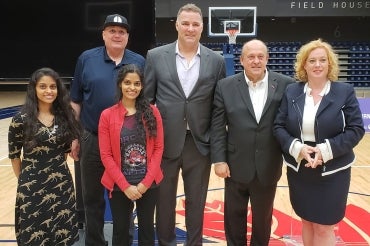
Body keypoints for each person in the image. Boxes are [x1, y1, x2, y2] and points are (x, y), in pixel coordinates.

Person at [144, 3, 226, 245]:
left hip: (199, 144)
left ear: (202, 27)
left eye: (195, 24)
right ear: (177, 25)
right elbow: (147, 101)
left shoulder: (216, 60)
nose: (190, 28)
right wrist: (151, 141)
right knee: (165, 202)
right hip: (165, 142)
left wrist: (214, 141)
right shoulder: (156, 56)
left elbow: (218, 107)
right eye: (186, 23)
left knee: (196, 202)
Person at [273, 39, 365, 245]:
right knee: (306, 221)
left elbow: (356, 129)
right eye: (312, 60)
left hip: (333, 170)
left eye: (322, 60)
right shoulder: (292, 92)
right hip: (301, 168)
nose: (317, 65)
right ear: (304, 64)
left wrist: (324, 151)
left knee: (324, 227)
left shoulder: (344, 91)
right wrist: (298, 148)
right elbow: (278, 127)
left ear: (329, 64)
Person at [69, 14, 145, 246]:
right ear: (103, 34)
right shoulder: (86, 59)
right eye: (111, 30)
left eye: (121, 31)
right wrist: (75, 135)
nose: (116, 35)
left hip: (126, 142)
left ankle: (123, 242)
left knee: (123, 199)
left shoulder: (139, 61)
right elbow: (75, 101)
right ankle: (95, 242)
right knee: (92, 199)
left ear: (128, 37)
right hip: (91, 139)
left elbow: (146, 102)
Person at [210, 39, 295, 246]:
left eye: (260, 56)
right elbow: (218, 126)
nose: (256, 61)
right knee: (233, 218)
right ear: (241, 60)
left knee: (263, 221)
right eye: (251, 56)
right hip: (235, 164)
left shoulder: (285, 84)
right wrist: (219, 160)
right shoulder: (225, 86)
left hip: (268, 164)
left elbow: (291, 122)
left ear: (267, 58)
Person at [8, 67, 81, 245]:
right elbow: (15, 156)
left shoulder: (65, 117)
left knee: (61, 236)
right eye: (43, 86)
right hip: (32, 186)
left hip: (61, 185)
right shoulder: (21, 119)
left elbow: (64, 152)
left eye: (53, 87)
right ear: (34, 89)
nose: (48, 91)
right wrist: (26, 179)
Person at [98, 64, 164, 246]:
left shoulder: (153, 112)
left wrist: (144, 184)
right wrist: (125, 186)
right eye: (127, 82)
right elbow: (106, 155)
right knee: (120, 233)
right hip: (120, 185)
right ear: (120, 84)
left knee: (147, 231)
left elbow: (158, 149)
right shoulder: (107, 115)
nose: (132, 87)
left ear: (142, 86)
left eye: (136, 83)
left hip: (148, 184)